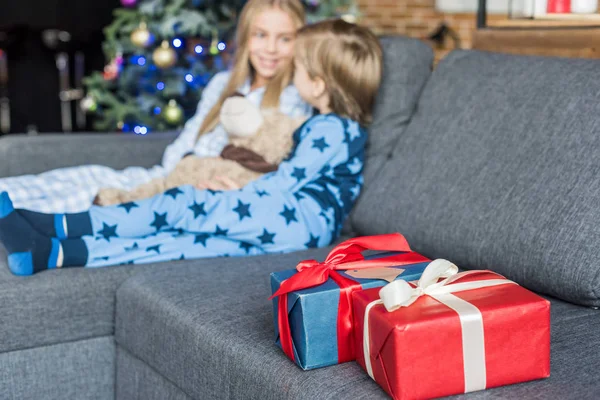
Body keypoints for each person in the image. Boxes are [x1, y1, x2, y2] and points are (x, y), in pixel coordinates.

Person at [0, 19, 383, 276]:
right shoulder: (336, 129)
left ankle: (60, 224)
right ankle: (54, 253)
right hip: (293, 227)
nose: (290, 70)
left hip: (293, 222)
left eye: (298, 66)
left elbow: (287, 183)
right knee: (184, 243)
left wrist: (245, 192)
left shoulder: (333, 129)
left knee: (182, 203)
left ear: (317, 84)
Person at [0, 0, 311, 213]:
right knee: (80, 176)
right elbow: (186, 141)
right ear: (246, 38)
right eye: (261, 35)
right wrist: (179, 165)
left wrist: (239, 190)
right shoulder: (223, 84)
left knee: (82, 198)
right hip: (168, 174)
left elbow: (281, 165)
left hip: (199, 194)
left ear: (300, 42)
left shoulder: (295, 98)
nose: (270, 48)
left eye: (284, 39)